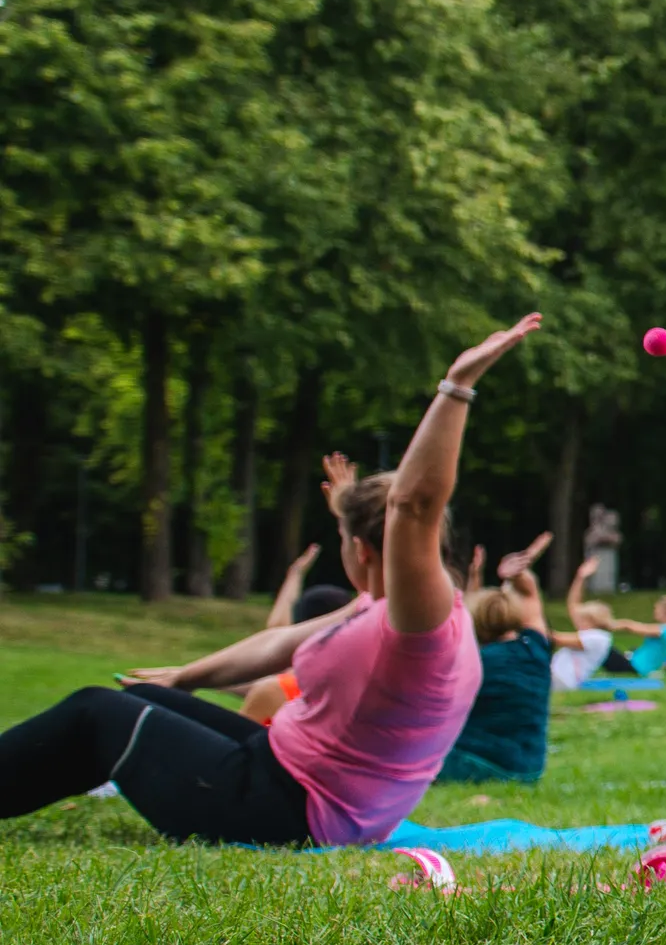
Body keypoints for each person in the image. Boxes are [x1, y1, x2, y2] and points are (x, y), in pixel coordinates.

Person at [0, 317, 540, 845]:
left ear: (362, 549)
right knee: (146, 696)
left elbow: (413, 505)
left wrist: (456, 387)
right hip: (293, 778)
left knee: (95, 713)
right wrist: (184, 678)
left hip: (293, 810)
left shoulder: (421, 628)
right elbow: (282, 642)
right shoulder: (384, 613)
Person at [436, 580, 560, 787]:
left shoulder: (473, 662)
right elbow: (532, 600)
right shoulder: (536, 651)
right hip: (529, 770)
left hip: (478, 764)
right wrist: (517, 573)